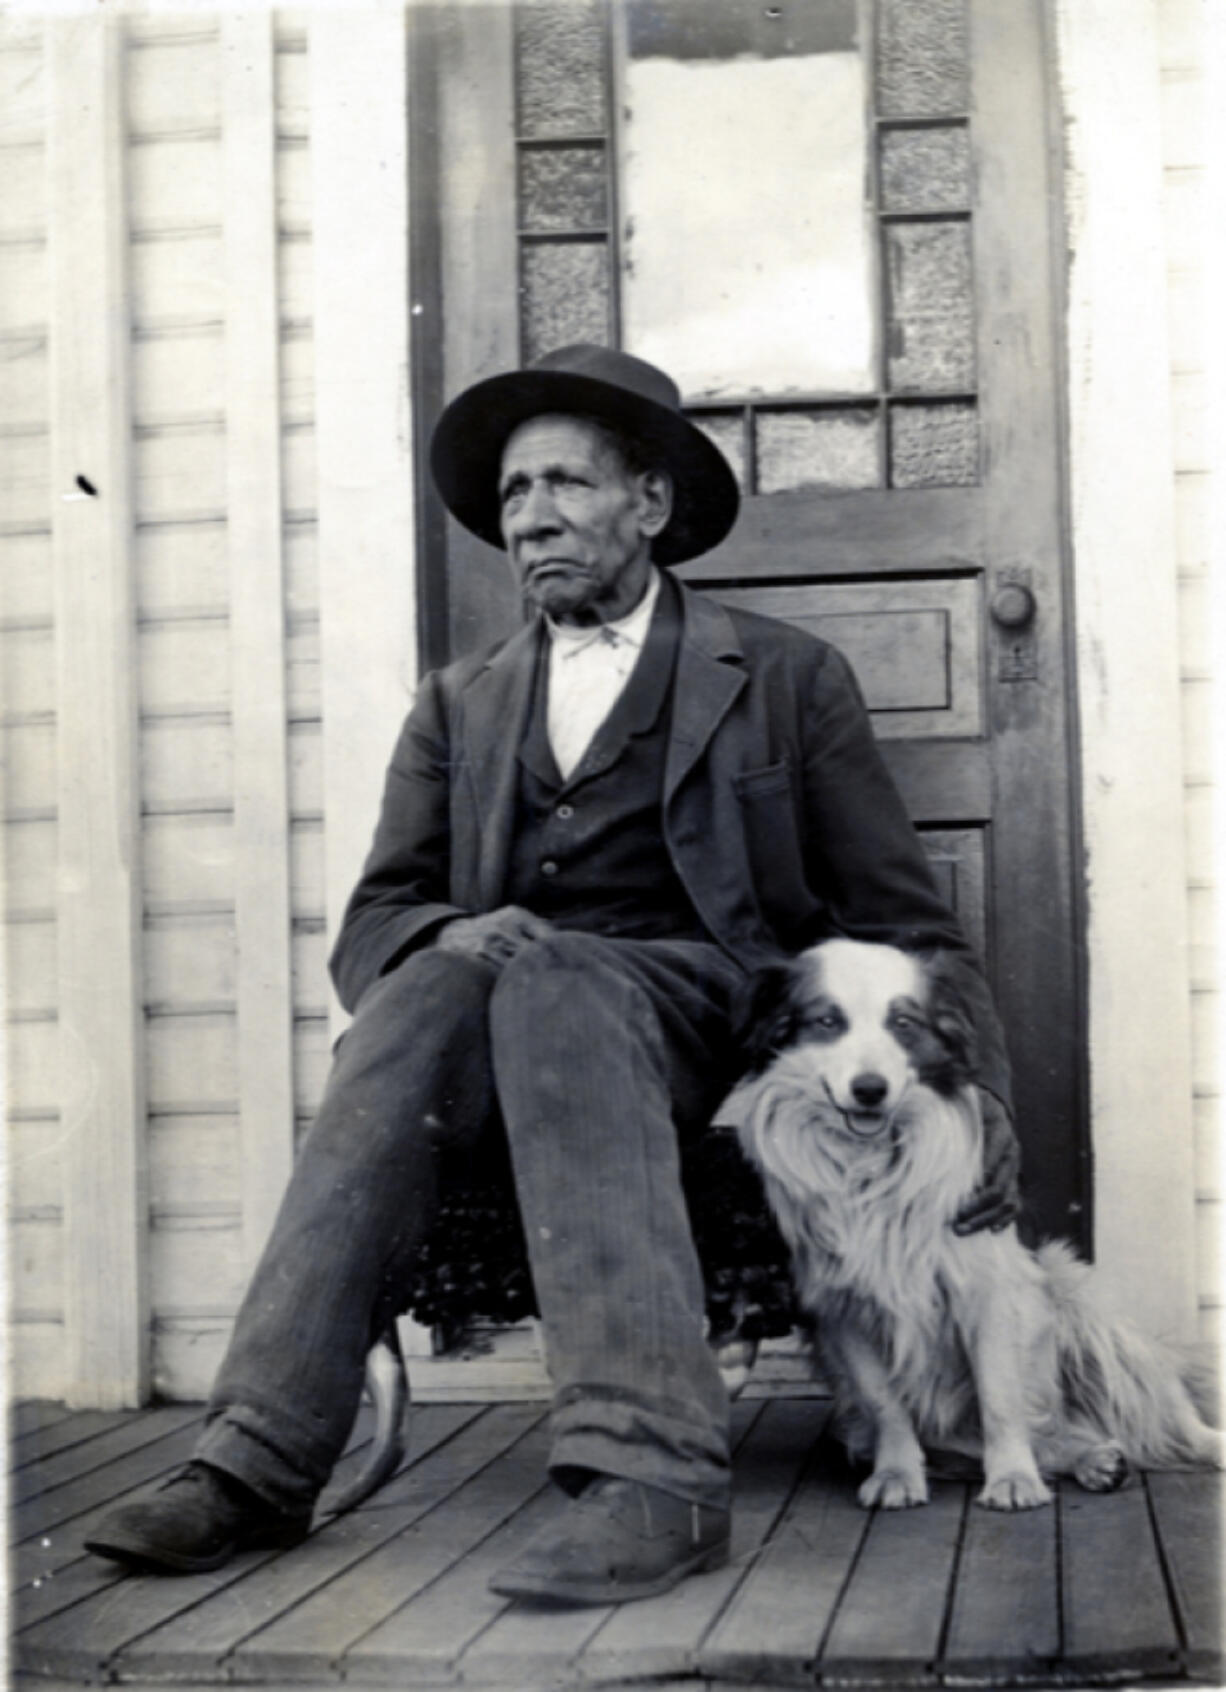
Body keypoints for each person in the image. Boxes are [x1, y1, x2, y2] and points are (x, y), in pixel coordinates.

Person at [86, 344, 1019, 1603]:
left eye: (565, 484)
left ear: (649, 504)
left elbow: (908, 923)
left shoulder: (784, 676)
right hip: (506, 1001)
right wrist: (442, 938)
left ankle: (654, 1478)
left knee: (561, 980)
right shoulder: (460, 703)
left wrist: (989, 1104)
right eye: (514, 494)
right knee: (428, 988)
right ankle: (253, 1461)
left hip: (709, 1008)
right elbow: (376, 918)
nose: (530, 516)